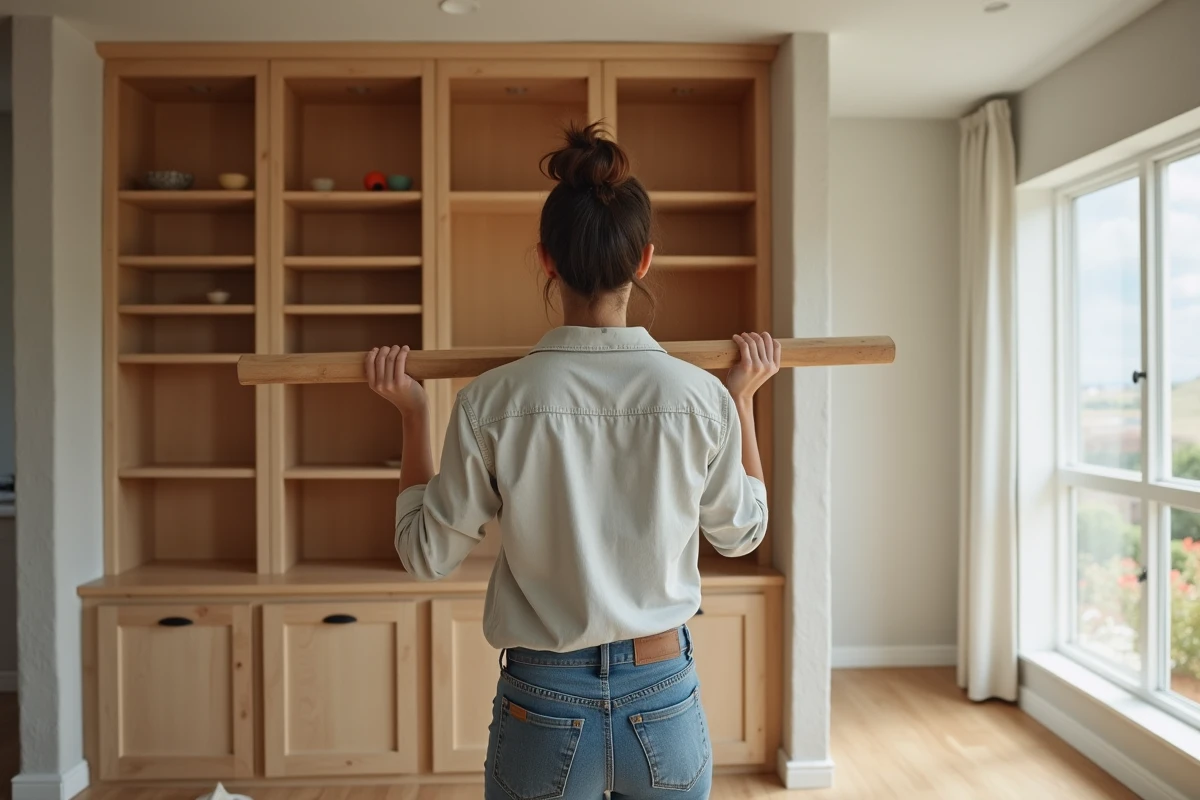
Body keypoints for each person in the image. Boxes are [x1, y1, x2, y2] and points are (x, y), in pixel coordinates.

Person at [365, 121, 780, 800]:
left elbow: (426, 554)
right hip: (663, 693)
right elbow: (743, 532)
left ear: (546, 260)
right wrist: (742, 403)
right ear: (644, 260)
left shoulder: (492, 400)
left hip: (543, 699)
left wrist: (413, 412)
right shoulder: (701, 398)